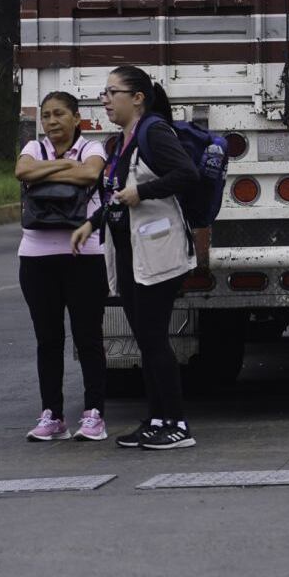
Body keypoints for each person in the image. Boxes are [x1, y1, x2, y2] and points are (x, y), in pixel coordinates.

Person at [70, 66, 200, 450]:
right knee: (145, 339)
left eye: (113, 92)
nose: (105, 99)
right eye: (104, 93)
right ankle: (156, 419)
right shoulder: (124, 139)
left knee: (155, 339)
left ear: (138, 98)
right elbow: (116, 193)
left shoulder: (154, 131)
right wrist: (92, 223)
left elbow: (186, 174)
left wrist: (142, 194)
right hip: (131, 251)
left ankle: (177, 425)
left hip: (158, 251)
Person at [15, 91, 110, 442]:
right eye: (46, 116)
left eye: (59, 115)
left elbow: (90, 176)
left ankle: (93, 413)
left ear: (77, 119)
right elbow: (22, 171)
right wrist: (64, 166)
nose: (52, 122)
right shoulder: (33, 149)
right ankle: (52, 415)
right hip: (35, 257)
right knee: (48, 339)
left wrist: (50, 173)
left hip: (84, 257)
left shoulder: (92, 148)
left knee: (88, 337)